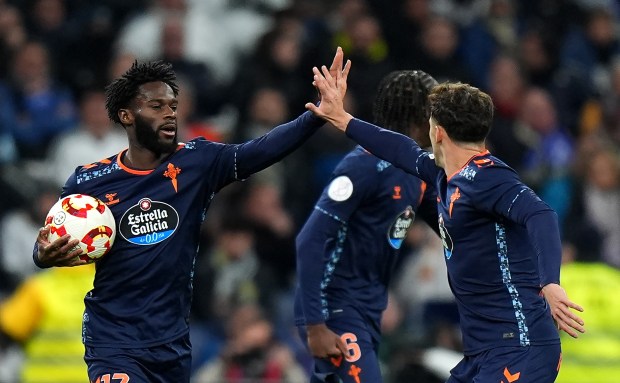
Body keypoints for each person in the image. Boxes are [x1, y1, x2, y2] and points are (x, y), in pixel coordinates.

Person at [30, 48, 347, 383]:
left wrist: (316, 116)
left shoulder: (197, 162)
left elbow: (262, 149)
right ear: (126, 115)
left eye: (173, 106)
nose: (170, 114)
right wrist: (41, 255)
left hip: (172, 343)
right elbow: (51, 242)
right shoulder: (88, 181)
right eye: (156, 106)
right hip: (113, 341)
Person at [306, 64, 586, 382]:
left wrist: (550, 282)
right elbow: (399, 149)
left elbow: (541, 214)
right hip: (484, 352)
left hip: (520, 346)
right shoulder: (445, 174)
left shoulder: (487, 176)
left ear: (437, 131)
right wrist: (341, 118)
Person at [294, 69, 439, 382]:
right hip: (336, 307)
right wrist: (314, 324)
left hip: (370, 309)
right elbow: (310, 239)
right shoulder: (364, 166)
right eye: (434, 111)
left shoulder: (418, 170)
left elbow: (452, 227)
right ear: (418, 116)